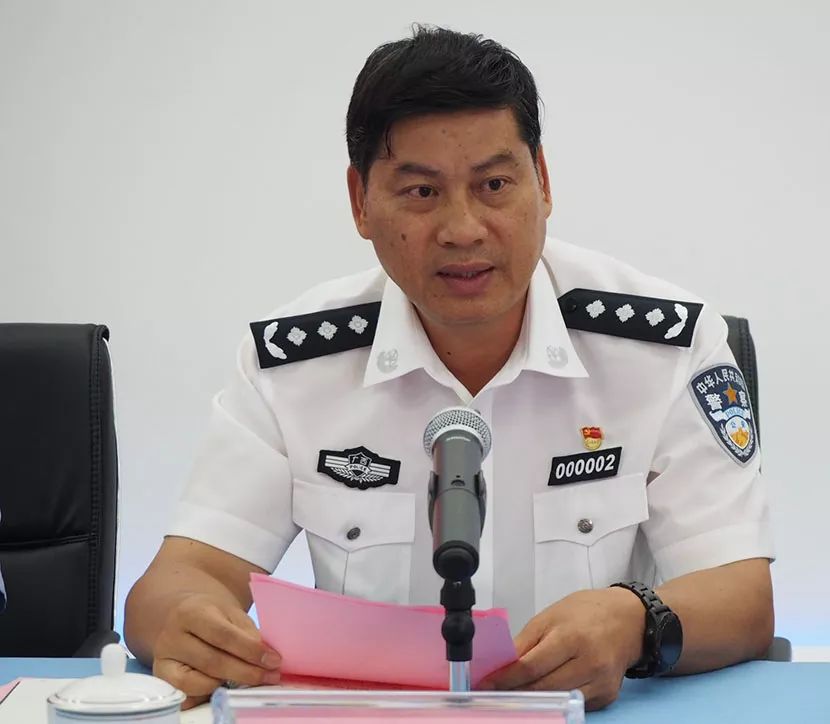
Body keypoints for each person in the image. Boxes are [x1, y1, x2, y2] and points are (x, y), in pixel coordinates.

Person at [125, 26, 775, 710]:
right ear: (360, 201)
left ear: (542, 182)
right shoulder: (292, 365)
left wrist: (634, 621)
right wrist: (186, 623)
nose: (463, 229)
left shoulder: (665, 347)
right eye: (421, 192)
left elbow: (742, 596)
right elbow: (178, 580)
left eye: (494, 184)